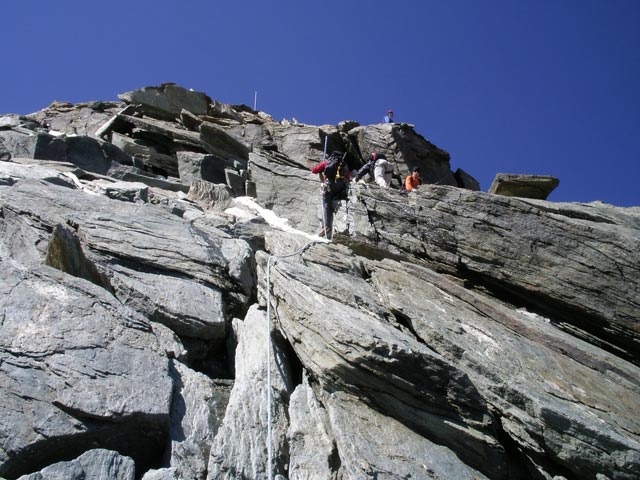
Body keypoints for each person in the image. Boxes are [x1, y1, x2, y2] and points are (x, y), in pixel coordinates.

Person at [311, 151, 350, 239]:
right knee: (334, 196)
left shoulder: (327, 162)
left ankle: (326, 226)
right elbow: (348, 177)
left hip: (330, 185)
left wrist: (322, 168)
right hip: (341, 186)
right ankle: (336, 198)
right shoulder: (344, 164)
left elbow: (314, 170)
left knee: (326, 203)